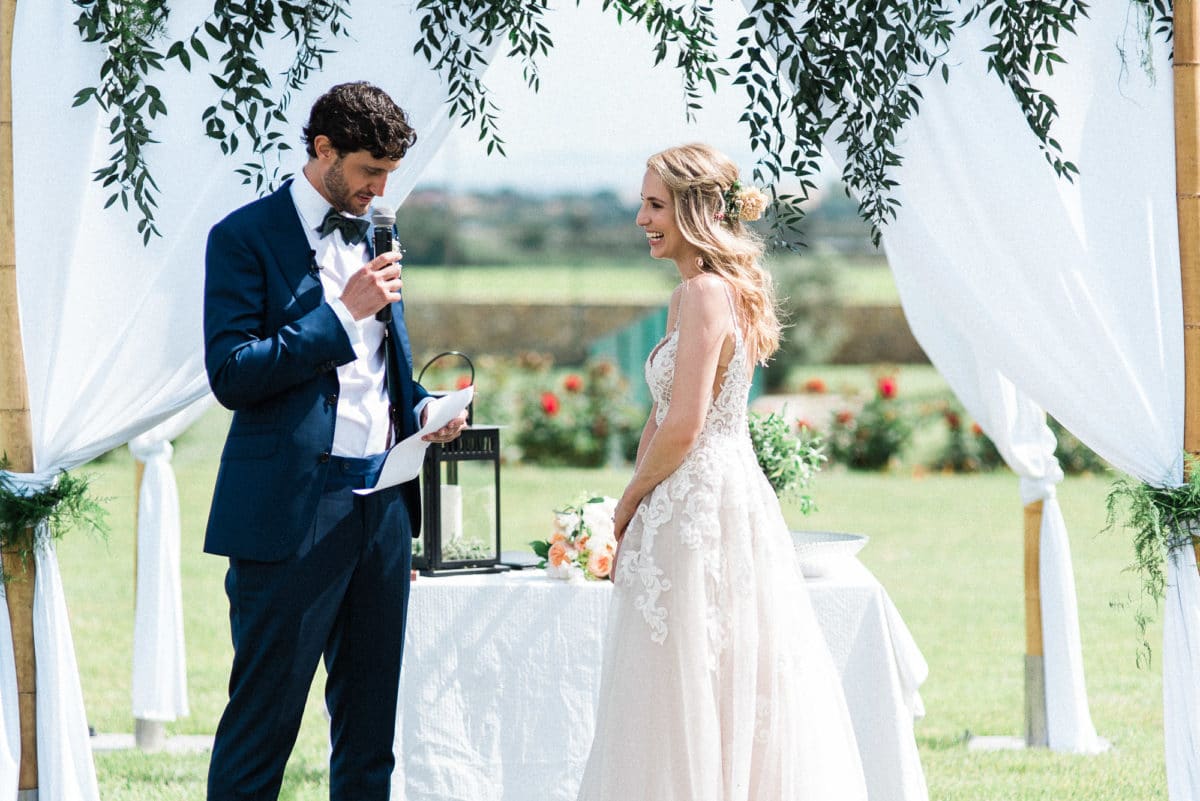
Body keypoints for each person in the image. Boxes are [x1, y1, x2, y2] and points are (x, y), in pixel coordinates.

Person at [576, 143, 869, 800]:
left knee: (702, 674)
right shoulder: (690, 295)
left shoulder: (707, 292)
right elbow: (660, 415)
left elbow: (685, 424)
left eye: (655, 205)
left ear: (693, 209)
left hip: (703, 503)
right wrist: (625, 510)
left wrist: (623, 508)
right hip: (686, 496)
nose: (641, 220)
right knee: (684, 676)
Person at [202, 81, 466, 801]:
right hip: (291, 513)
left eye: (389, 174)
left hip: (382, 507)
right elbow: (231, 373)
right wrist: (341, 315)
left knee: (369, 737)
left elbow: (381, 374)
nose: (380, 189)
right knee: (262, 731)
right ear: (323, 150)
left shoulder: (379, 231)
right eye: (368, 171)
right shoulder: (242, 238)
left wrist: (426, 410)